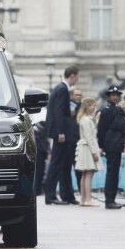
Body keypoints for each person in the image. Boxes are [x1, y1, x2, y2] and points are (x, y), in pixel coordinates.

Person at [44, 65, 79, 205]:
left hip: (61, 131)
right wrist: (60, 132)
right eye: (77, 76)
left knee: (64, 164)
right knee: (56, 163)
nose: (77, 79)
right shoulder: (63, 89)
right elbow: (58, 113)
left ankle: (66, 195)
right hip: (60, 133)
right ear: (72, 76)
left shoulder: (60, 88)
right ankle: (50, 195)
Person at [97, 85, 125, 209]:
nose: (115, 97)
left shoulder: (118, 109)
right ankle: (109, 200)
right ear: (108, 97)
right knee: (111, 172)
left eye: (117, 95)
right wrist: (101, 145)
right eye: (113, 95)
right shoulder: (107, 110)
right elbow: (102, 129)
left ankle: (111, 199)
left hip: (117, 143)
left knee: (114, 172)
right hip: (111, 144)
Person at [75, 97, 102, 206]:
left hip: (85, 146)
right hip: (87, 147)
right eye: (92, 106)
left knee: (85, 174)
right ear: (86, 107)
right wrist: (94, 152)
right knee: (88, 173)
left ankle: (83, 199)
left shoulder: (86, 119)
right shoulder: (86, 120)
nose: (94, 108)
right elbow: (89, 137)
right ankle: (87, 199)